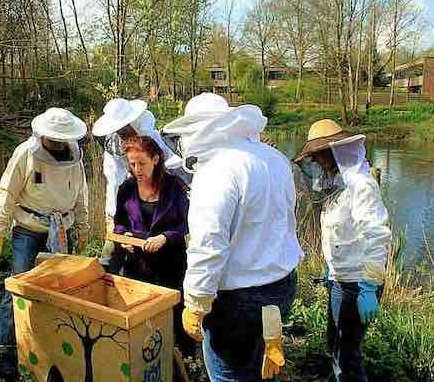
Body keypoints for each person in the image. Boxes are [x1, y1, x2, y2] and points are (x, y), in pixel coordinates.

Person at [162, 93, 303, 381]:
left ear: (197, 131)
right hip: (282, 286)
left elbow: (208, 246)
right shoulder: (273, 158)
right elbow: (285, 221)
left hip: (238, 298)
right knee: (259, 367)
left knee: (229, 375)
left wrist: (196, 302)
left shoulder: (215, 170)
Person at [0, 108, 90, 378]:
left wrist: (82, 226)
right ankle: (6, 350)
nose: (56, 144)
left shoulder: (75, 158)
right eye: (52, 138)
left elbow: (81, 194)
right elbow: (7, 192)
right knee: (18, 287)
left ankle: (53, 349)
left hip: (61, 231)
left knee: (61, 291)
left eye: (60, 139)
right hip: (28, 230)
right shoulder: (25, 153)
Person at [293, 119, 391, 382]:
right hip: (340, 280)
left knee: (348, 354)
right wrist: (331, 267)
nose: (317, 163)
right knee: (335, 344)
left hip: (357, 284)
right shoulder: (336, 185)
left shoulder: (361, 185)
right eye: (314, 157)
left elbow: (376, 235)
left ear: (334, 152)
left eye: (320, 156)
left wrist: (369, 285)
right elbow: (342, 234)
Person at [109, 135, 194, 356]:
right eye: (132, 163)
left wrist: (165, 237)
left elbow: (186, 222)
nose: (137, 169)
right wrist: (124, 236)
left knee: (175, 308)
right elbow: (119, 222)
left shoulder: (174, 186)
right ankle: (142, 355)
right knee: (140, 310)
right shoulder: (126, 188)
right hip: (137, 263)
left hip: (170, 261)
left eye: (142, 163)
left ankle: (185, 359)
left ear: (155, 159)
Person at [92, 98, 188, 270]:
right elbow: (114, 183)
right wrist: (117, 227)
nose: (123, 133)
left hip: (159, 212)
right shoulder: (114, 152)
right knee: (110, 265)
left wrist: (166, 235)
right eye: (119, 130)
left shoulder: (154, 141)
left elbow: (183, 219)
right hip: (126, 214)